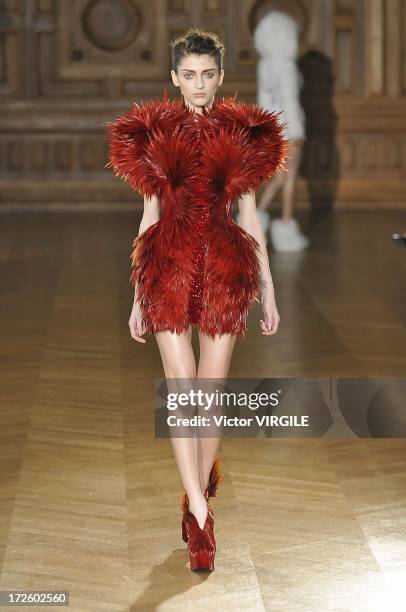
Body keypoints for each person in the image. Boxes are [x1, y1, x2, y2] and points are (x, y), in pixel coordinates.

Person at [106, 27, 287, 572]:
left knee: (209, 396)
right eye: (189, 74)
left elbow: (251, 218)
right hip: (168, 268)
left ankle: (195, 495)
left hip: (228, 268)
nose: (199, 84)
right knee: (182, 393)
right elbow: (149, 217)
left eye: (208, 75)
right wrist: (138, 293)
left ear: (221, 77)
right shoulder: (153, 134)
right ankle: (202, 519)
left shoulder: (243, 134)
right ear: (174, 78)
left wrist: (269, 288)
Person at [252, 10, 309, 251]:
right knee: (289, 180)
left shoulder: (265, 66)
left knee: (279, 179)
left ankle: (255, 220)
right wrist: (296, 131)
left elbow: (264, 103)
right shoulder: (285, 66)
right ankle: (286, 228)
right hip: (289, 129)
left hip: (273, 130)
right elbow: (290, 101)